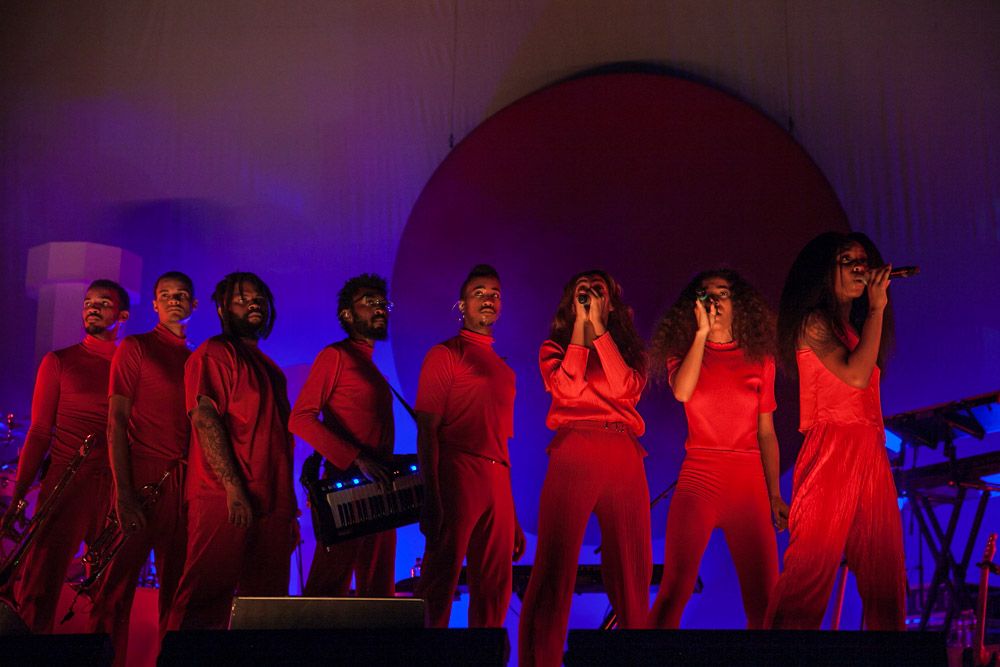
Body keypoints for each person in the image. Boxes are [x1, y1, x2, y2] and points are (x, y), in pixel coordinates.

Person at [764, 231, 905, 630]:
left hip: (870, 452)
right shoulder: (812, 323)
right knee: (808, 578)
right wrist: (877, 308)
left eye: (864, 259)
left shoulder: (857, 329)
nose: (861, 266)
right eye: (848, 260)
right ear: (826, 272)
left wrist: (874, 314)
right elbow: (857, 376)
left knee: (887, 580)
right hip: (831, 450)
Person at [519, 270, 652, 667]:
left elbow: (626, 387)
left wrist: (598, 331)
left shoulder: (630, 350)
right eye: (583, 290)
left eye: (599, 290)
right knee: (555, 565)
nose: (591, 295)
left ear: (611, 302)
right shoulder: (552, 348)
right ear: (569, 301)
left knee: (633, 568)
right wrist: (581, 326)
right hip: (575, 447)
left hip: (622, 451)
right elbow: (568, 388)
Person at [647, 269, 788, 630]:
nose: (715, 301)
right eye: (706, 295)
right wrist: (701, 335)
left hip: (748, 484)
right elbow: (682, 392)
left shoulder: (760, 358)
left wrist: (774, 494)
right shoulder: (685, 352)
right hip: (699, 478)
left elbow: (766, 433)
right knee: (674, 589)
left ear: (737, 302)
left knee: (765, 603)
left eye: (723, 294)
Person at [167, 272, 297, 631]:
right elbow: (205, 419)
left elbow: (279, 442)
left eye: (259, 298)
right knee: (204, 600)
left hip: (271, 504)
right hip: (224, 497)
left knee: (266, 607)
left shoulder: (271, 369)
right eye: (242, 298)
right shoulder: (216, 352)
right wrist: (233, 486)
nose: (253, 303)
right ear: (223, 309)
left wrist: (288, 510)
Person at [0, 279, 130, 632]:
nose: (91, 307)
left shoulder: (131, 365)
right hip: (66, 484)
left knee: (109, 598)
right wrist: (19, 497)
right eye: (88, 302)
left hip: (117, 489)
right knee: (39, 589)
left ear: (122, 315)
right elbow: (40, 431)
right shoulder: (60, 361)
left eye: (103, 303)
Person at [87, 271, 197, 665]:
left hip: (186, 483)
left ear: (193, 305)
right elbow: (115, 423)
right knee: (114, 591)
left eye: (181, 295)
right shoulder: (136, 346)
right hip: (143, 475)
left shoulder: (197, 358)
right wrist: (125, 493)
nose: (173, 300)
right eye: (165, 295)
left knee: (178, 593)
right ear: (154, 304)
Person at [414, 264, 525, 628]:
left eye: (494, 293)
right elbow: (426, 429)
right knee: (440, 579)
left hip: (496, 477)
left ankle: (486, 654)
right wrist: (431, 496)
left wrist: (514, 516)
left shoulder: (505, 371)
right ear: (462, 304)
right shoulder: (445, 355)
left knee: (495, 587)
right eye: (479, 293)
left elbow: (501, 442)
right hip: (457, 470)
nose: (488, 299)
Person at [289, 273, 397, 597]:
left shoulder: (369, 364)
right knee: (327, 588)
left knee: (379, 594)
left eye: (383, 302)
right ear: (347, 315)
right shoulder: (335, 355)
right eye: (369, 302)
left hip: (380, 489)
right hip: (346, 489)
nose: (379, 308)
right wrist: (357, 459)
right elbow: (300, 419)